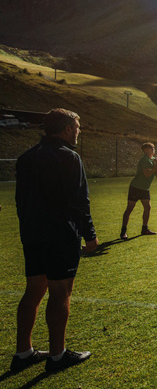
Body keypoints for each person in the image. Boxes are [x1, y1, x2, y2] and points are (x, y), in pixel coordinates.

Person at [12, 108, 97, 373]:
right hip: (60, 235)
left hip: (32, 234)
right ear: (69, 129)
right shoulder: (68, 157)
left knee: (34, 290)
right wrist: (90, 235)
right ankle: (58, 356)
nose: (78, 132)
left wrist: (27, 227)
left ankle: (23, 352)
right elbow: (79, 200)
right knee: (60, 292)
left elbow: (20, 199)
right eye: (77, 128)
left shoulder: (26, 157)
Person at [120, 142, 157, 239]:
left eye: (153, 147)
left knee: (148, 207)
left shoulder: (153, 160)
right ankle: (123, 231)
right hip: (136, 187)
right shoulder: (144, 160)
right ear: (146, 150)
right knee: (130, 208)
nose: (153, 149)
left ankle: (144, 229)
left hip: (145, 188)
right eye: (150, 148)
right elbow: (147, 174)